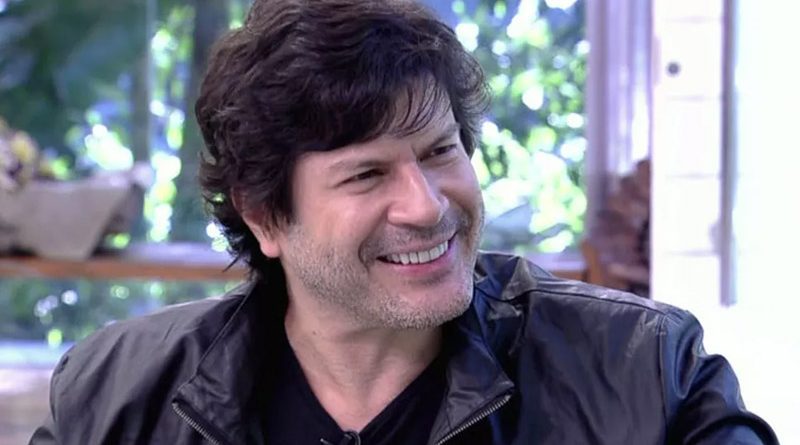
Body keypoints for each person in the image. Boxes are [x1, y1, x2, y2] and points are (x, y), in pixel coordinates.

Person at [30, 0, 778, 444]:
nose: (426, 205)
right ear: (266, 218)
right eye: (366, 174)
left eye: (440, 151)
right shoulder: (114, 398)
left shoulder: (646, 374)